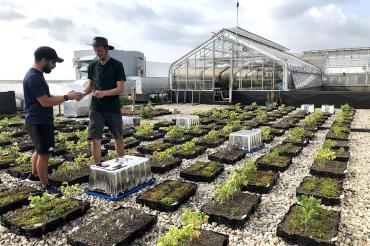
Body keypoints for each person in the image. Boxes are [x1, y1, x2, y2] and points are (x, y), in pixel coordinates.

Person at [23, 46, 82, 195]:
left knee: (39, 150)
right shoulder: (34, 77)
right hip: (39, 121)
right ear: (43, 60)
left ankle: (34, 175)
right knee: (44, 154)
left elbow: (44, 98)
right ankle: (45, 185)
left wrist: (65, 95)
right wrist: (67, 97)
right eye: (53, 62)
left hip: (36, 120)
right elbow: (45, 102)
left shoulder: (35, 75)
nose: (54, 65)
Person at [81, 37, 125, 165]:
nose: (97, 53)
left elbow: (120, 88)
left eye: (99, 50)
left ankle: (122, 164)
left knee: (118, 137)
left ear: (106, 48)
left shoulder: (117, 65)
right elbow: (90, 85)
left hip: (113, 107)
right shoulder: (92, 65)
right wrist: (82, 94)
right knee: (95, 138)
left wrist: (103, 93)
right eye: (95, 51)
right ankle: (98, 167)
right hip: (96, 108)